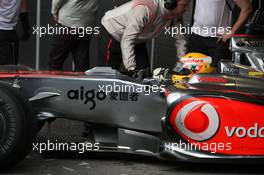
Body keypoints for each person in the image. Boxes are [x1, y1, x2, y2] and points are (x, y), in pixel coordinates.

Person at [98, 0, 189, 75]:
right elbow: (127, 40)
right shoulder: (145, 9)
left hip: (136, 37)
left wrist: (183, 62)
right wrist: (131, 68)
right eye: (184, 5)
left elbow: (180, 39)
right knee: (108, 75)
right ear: (170, 3)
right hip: (113, 31)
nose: (187, 8)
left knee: (144, 74)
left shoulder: (175, 15)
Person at [188, 0, 253, 67]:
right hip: (196, 37)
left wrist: (232, 31)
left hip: (217, 40)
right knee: (192, 74)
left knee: (216, 75)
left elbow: (247, 8)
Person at [49, 0, 99, 71]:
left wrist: (54, 11)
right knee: (81, 66)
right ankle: (81, 82)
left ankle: (54, 82)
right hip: (87, 24)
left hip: (68, 22)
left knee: (54, 63)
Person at [0, 0, 31, 65]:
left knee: (11, 67)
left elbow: (23, 7)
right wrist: (26, 28)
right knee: (7, 68)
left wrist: (26, 28)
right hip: (3, 30)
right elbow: (23, 7)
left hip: (11, 32)